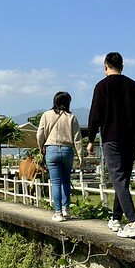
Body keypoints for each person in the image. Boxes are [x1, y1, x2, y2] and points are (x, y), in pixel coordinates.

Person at [87, 52, 135, 238]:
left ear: (105, 66)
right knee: (123, 180)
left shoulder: (101, 86)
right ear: (122, 66)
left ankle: (132, 222)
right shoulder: (134, 85)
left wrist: (91, 140)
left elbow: (95, 115)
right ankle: (115, 218)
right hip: (131, 138)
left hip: (111, 138)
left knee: (118, 180)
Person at [36, 92, 84, 221]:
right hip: (67, 150)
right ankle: (66, 209)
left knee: (56, 182)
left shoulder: (46, 115)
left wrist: (41, 147)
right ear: (68, 102)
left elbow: (40, 134)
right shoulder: (71, 117)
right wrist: (80, 156)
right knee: (66, 181)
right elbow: (77, 138)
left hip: (51, 149)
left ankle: (58, 212)